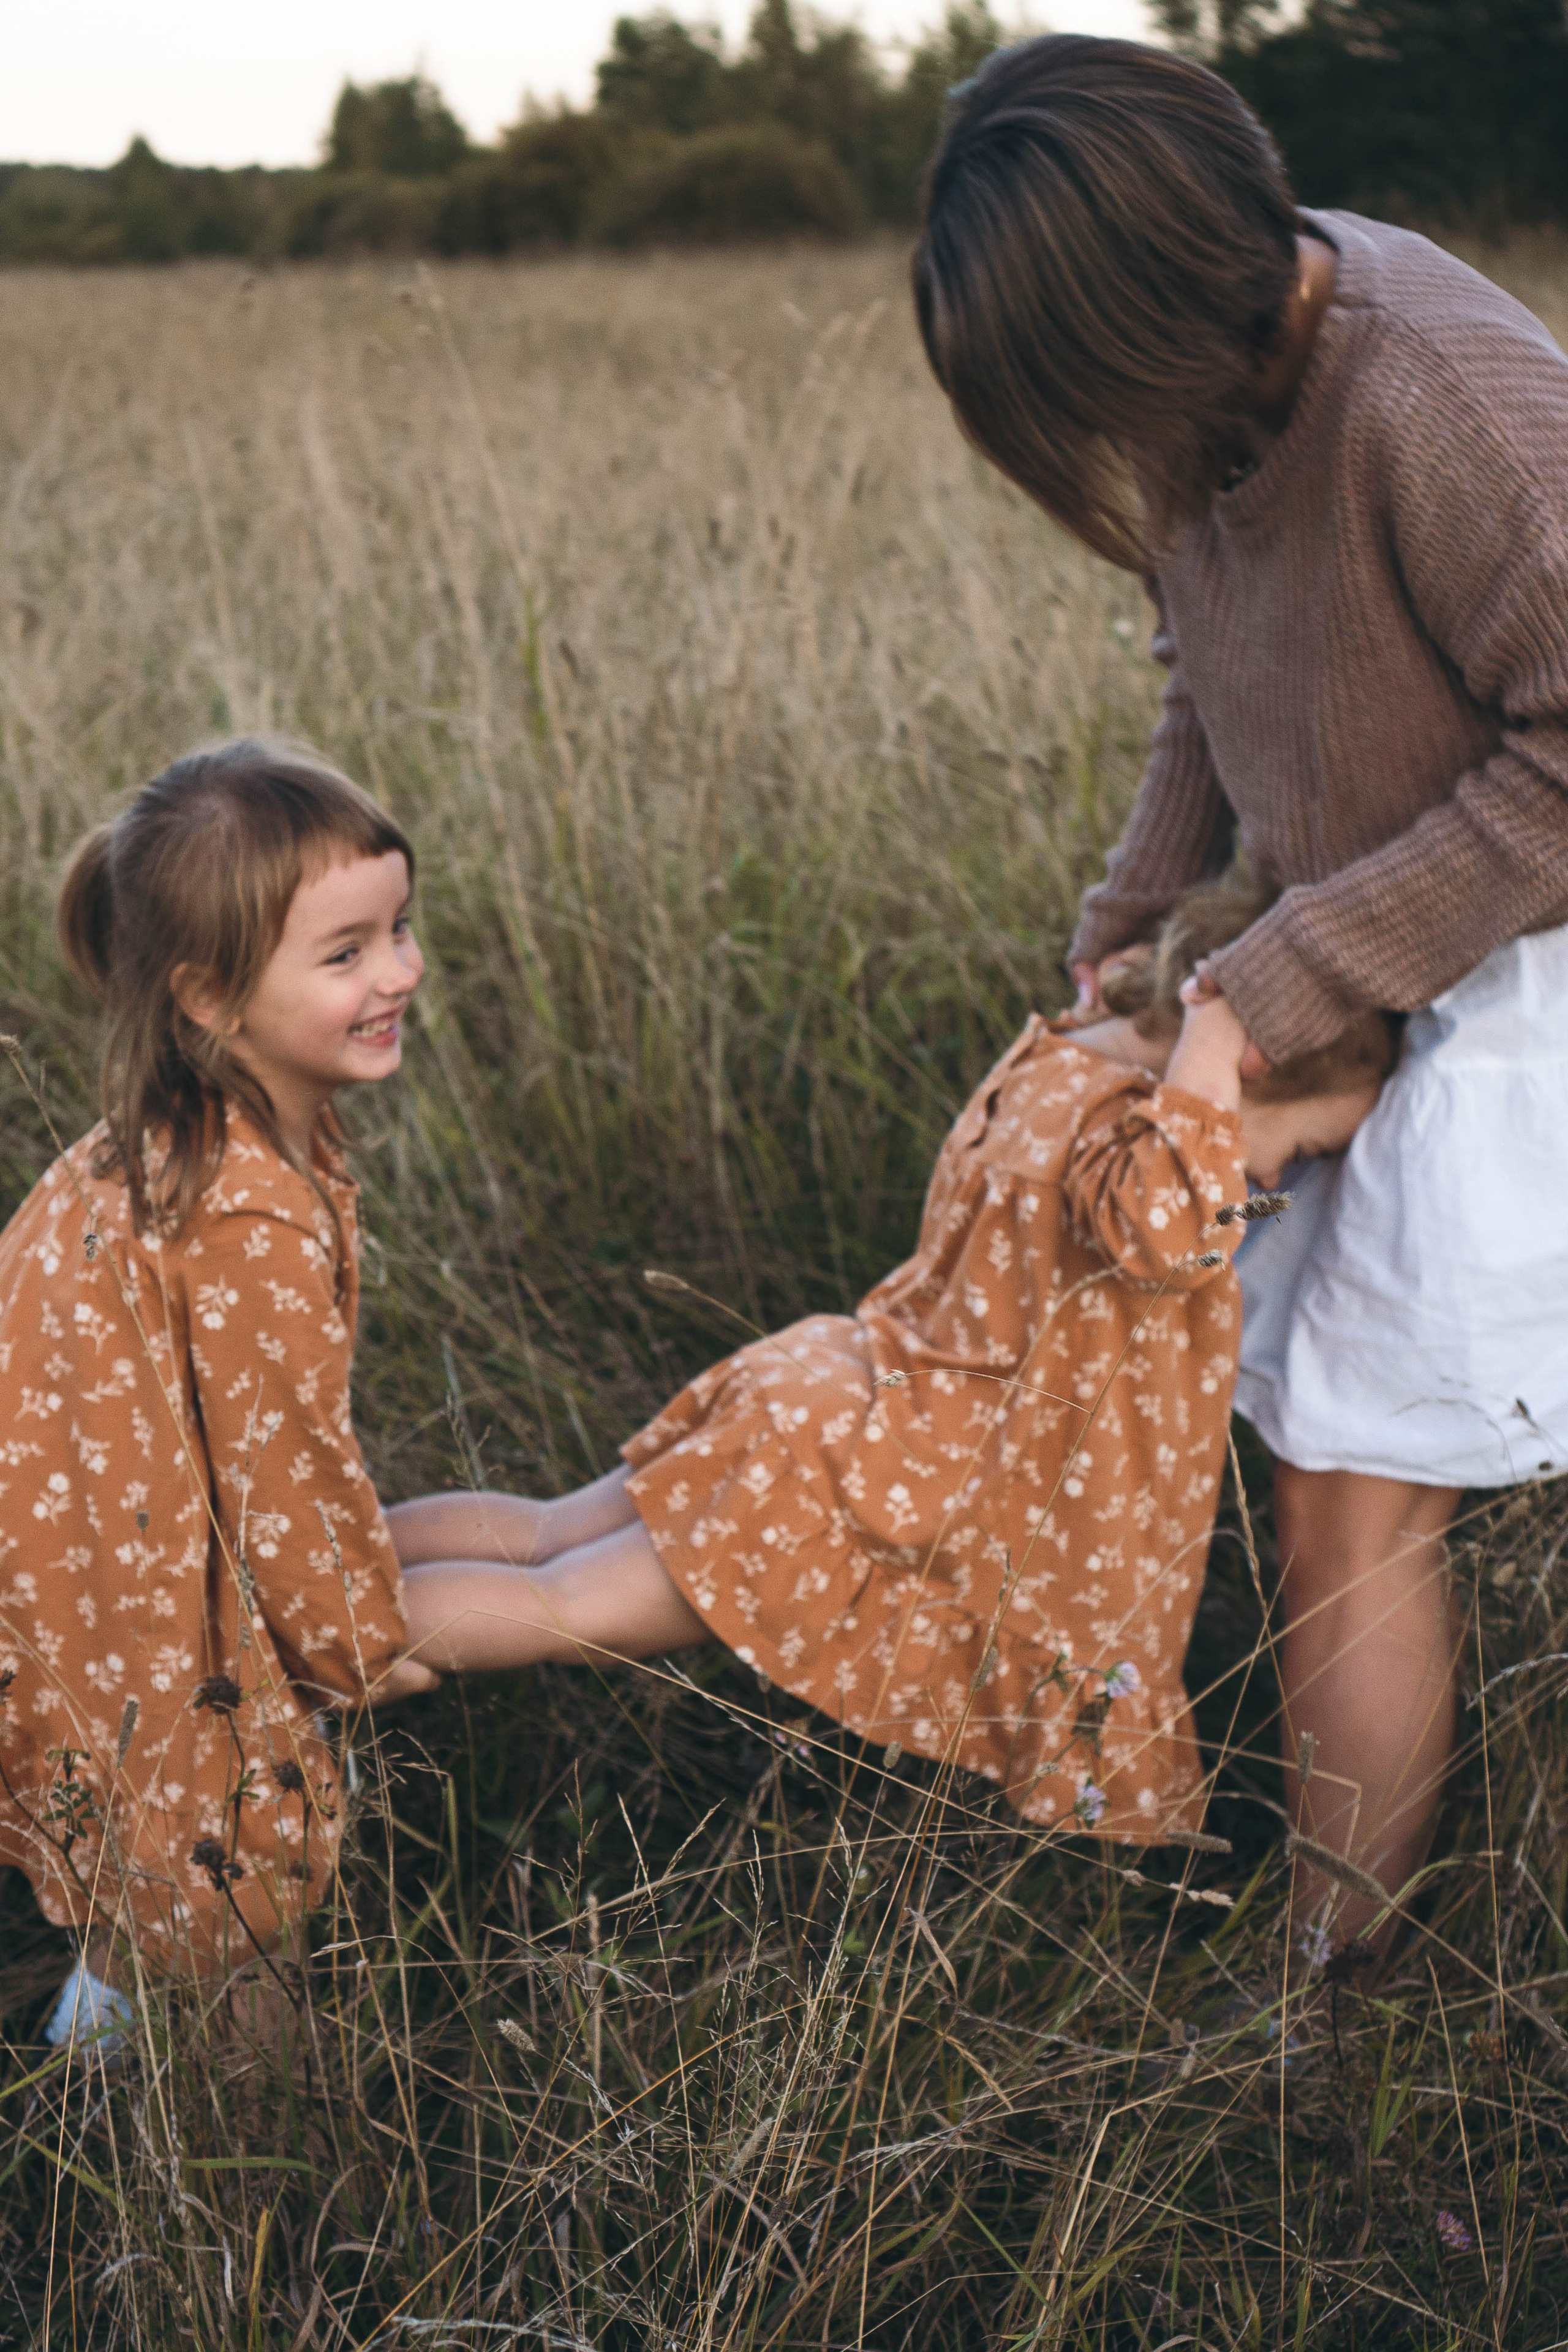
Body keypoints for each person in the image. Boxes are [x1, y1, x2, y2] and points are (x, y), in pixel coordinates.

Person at [909, 35, 1568, 1943]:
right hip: (1399, 944)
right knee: (1285, 1435)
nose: (1097, 455)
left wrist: (1269, 981)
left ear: (1146, 313)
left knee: (1351, 1496)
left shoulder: (1443, 400)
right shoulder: (1214, 368)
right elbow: (1207, 667)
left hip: (1534, 973)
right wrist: (1135, 911)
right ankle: (1320, 1912)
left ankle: (1328, 2010)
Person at [393, 880, 1396, 1848]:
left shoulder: (1059, 1064)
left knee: (550, 1536)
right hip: (876, 1479)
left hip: (830, 1393)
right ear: (1252, 1063)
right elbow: (1180, 1235)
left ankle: (321, 1554)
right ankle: (310, 1638)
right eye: (1304, 1148)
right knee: (565, 1606)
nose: (1275, 1177)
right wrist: (1217, 1043)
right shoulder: (1151, 1159)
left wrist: (1203, 1038)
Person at [0, 737, 440, 2037]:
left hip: (86, 1570)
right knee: (237, 1900)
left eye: (398, 928)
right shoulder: (244, 1214)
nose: (399, 973)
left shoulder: (183, 1133)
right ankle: (208, 2129)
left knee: (158, 1874)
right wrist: (359, 1651)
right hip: (125, 1607)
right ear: (210, 996)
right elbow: (281, 1478)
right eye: (346, 954)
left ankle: (99, 2040)